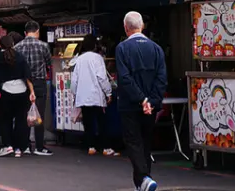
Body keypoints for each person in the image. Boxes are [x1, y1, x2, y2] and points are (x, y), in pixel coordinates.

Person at [116, 12, 167, 191]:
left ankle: (144, 179)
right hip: (150, 108)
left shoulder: (122, 48)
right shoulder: (156, 49)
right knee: (145, 142)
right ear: (142, 26)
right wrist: (151, 101)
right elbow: (162, 79)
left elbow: (124, 78)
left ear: (125, 28)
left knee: (133, 141)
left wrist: (141, 99)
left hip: (130, 104)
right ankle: (143, 182)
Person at [0, 34, 35, 158]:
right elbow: (28, 76)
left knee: (5, 120)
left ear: (1, 45)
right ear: (13, 44)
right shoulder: (20, 57)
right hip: (22, 92)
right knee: (21, 121)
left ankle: (7, 146)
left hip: (6, 92)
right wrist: (32, 92)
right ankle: (19, 148)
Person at [71, 35, 117, 156]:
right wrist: (108, 92)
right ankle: (106, 147)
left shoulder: (79, 59)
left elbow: (74, 79)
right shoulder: (98, 58)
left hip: (83, 96)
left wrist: (75, 94)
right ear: (94, 45)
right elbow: (102, 77)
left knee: (88, 122)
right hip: (96, 96)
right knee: (102, 122)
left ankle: (91, 147)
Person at [14, 20, 53, 156]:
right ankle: (39, 147)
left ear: (25, 33)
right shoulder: (43, 46)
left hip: (22, 83)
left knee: (24, 114)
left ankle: (24, 146)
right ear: (37, 31)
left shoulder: (17, 47)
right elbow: (49, 64)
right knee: (39, 115)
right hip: (39, 83)